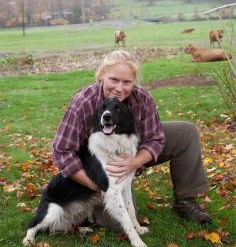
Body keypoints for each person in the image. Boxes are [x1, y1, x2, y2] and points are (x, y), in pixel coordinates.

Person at [52, 50, 212, 228]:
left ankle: (185, 201)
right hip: (100, 168)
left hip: (133, 151)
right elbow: (62, 151)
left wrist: (135, 161)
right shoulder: (84, 102)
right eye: (113, 80)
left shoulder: (143, 98)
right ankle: (88, 208)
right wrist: (96, 185)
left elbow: (156, 139)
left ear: (133, 82)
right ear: (101, 75)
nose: (119, 88)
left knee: (186, 132)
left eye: (127, 82)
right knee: (117, 223)